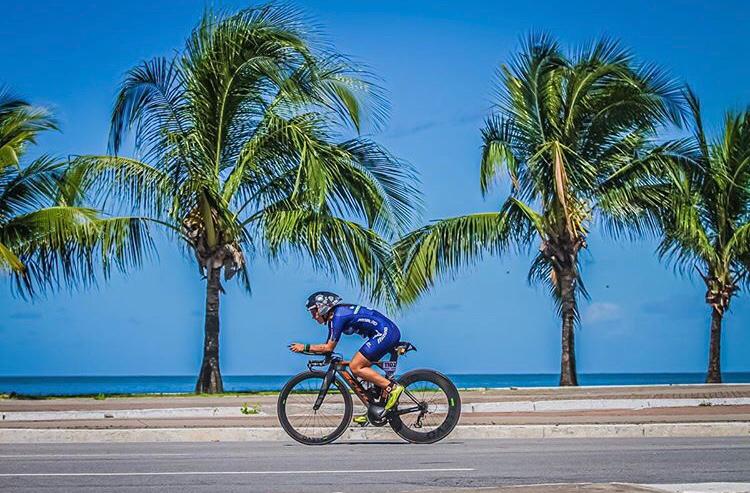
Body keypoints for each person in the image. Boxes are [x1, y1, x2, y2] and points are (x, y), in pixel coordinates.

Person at [289, 291, 404, 423]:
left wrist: (304, 347)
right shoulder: (335, 317)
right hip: (386, 332)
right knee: (361, 369)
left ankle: (393, 388)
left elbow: (328, 347)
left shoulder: (338, 316)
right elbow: (328, 349)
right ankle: (375, 407)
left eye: (314, 311)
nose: (313, 316)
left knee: (355, 366)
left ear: (323, 307)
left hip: (385, 333)